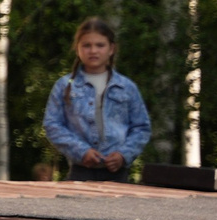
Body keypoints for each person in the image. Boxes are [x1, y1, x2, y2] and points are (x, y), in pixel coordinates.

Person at [41, 17, 151, 180]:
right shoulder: (65, 86)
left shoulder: (126, 87)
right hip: (80, 171)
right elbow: (52, 125)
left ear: (111, 49)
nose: (93, 51)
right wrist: (81, 151)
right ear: (77, 49)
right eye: (87, 45)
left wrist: (123, 154)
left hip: (118, 173)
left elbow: (141, 127)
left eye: (100, 45)